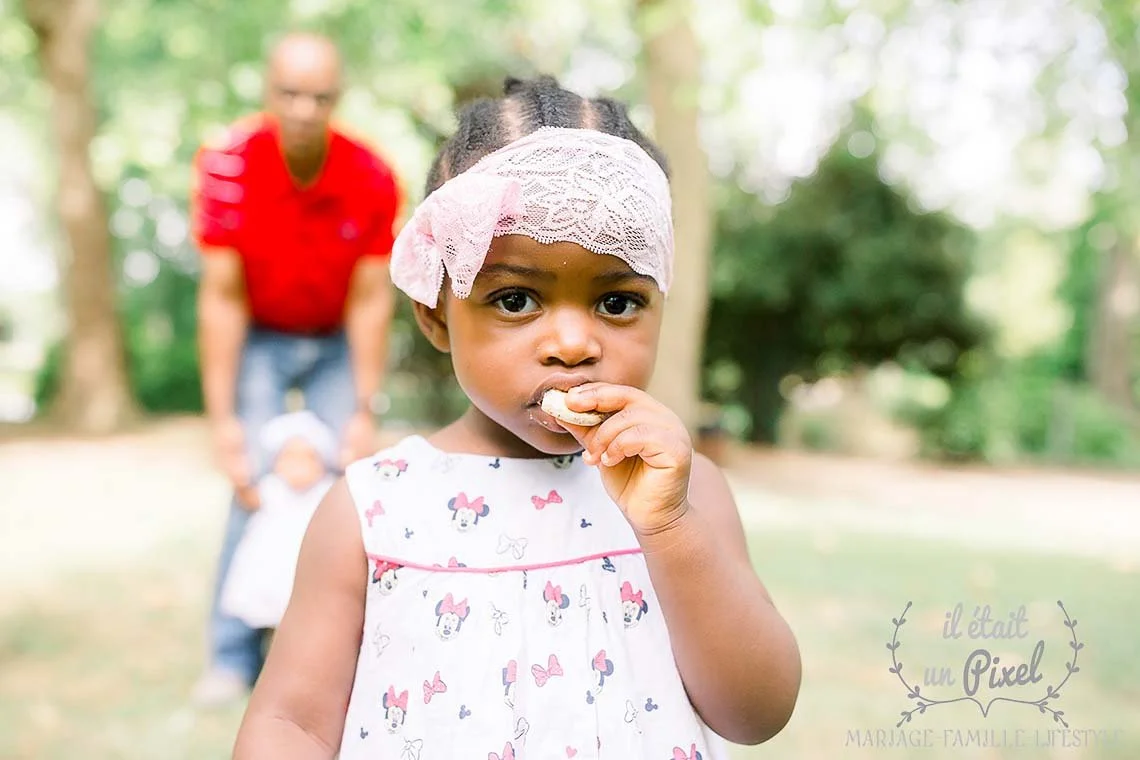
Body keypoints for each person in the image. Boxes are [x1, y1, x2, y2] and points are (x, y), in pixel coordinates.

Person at [233, 75, 801, 758]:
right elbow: (290, 723)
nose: (572, 344)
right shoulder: (371, 509)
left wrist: (670, 528)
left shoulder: (686, 494)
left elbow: (757, 712)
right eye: (514, 300)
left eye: (617, 303)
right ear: (437, 314)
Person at [190, 32, 401, 702]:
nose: (305, 109)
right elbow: (221, 299)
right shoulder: (227, 163)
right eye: (290, 93)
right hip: (259, 332)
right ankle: (229, 659)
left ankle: (356, 649)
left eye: (320, 96)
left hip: (337, 334)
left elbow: (371, 303)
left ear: (337, 98)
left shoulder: (371, 175)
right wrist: (224, 420)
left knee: (350, 477)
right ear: (268, 91)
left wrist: (364, 407)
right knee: (251, 479)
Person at [220, 411, 339, 635]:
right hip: (271, 569)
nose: (298, 466)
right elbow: (250, 499)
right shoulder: (274, 488)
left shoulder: (326, 491)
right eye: (289, 457)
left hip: (303, 570)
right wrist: (240, 481)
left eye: (307, 458)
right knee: (268, 619)